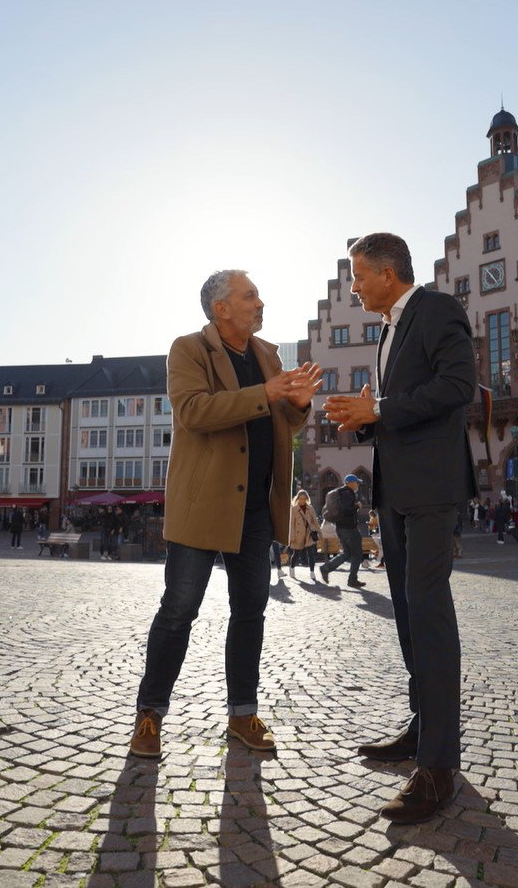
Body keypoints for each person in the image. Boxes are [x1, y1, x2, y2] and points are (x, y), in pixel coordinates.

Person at [130, 269, 318, 760]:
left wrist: (297, 405)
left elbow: (282, 422)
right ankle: (149, 715)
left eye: (257, 295)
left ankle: (242, 714)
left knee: (251, 612)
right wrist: (270, 393)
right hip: (203, 505)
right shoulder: (188, 349)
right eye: (250, 295)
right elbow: (195, 411)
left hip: (256, 505)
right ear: (222, 309)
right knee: (179, 610)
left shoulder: (268, 355)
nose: (261, 302)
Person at [323, 231, 477, 825]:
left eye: (358, 275)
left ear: (388, 272)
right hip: (397, 489)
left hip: (433, 489)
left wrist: (381, 409)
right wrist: (364, 419)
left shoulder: (437, 308)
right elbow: (403, 406)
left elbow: (457, 386)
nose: (354, 286)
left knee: (430, 610)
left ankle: (440, 766)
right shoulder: (388, 329)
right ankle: (422, 728)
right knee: (410, 614)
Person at [318, 475, 366, 587]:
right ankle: (352, 580)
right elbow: (346, 510)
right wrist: (357, 506)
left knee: (347, 553)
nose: (358, 484)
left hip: (340, 527)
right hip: (349, 528)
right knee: (357, 554)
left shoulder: (341, 493)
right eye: (356, 482)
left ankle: (326, 568)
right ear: (350, 483)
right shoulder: (348, 493)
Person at [285, 490, 319, 577]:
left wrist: (319, 532)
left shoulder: (310, 508)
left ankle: (312, 572)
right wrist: (291, 536)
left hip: (309, 533)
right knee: (296, 553)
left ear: (307, 499)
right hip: (298, 534)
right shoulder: (293, 509)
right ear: (297, 499)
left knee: (311, 553)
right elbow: (291, 524)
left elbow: (315, 520)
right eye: (300, 499)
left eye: (304, 499)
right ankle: (292, 568)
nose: (302, 500)